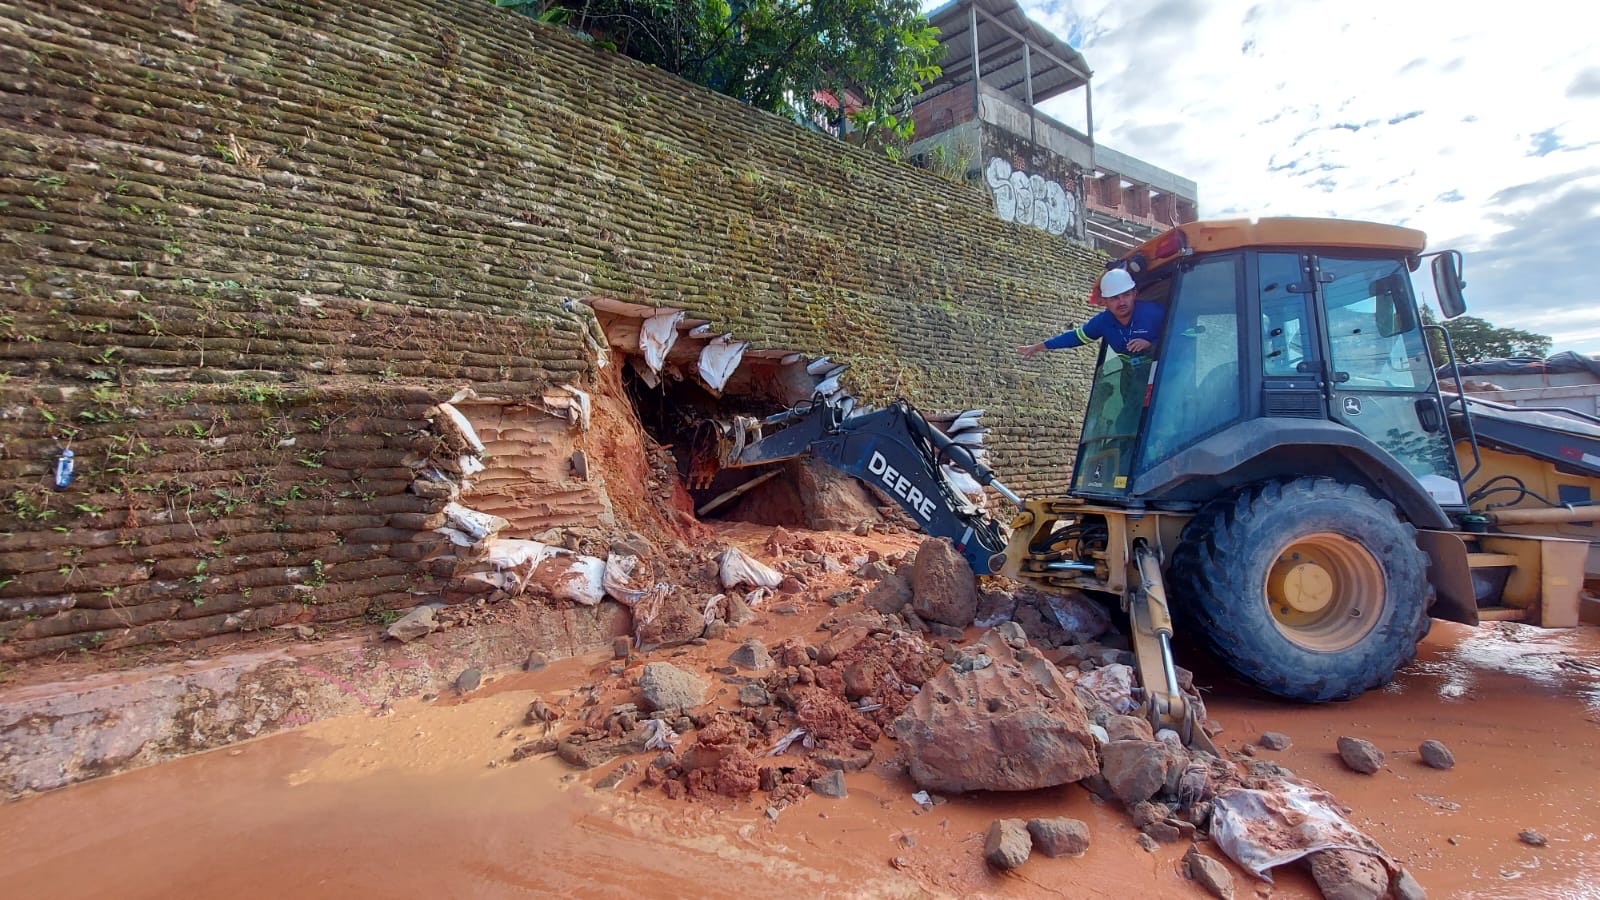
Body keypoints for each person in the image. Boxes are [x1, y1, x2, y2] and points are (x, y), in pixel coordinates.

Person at [1017, 268, 1162, 360]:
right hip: (1131, 382)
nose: (1122, 302)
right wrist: (1038, 347)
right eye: (1114, 298)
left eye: (1126, 295)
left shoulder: (1154, 313)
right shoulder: (1103, 322)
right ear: (1105, 302)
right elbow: (1075, 337)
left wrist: (1151, 345)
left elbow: (1181, 336)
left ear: (1134, 294)